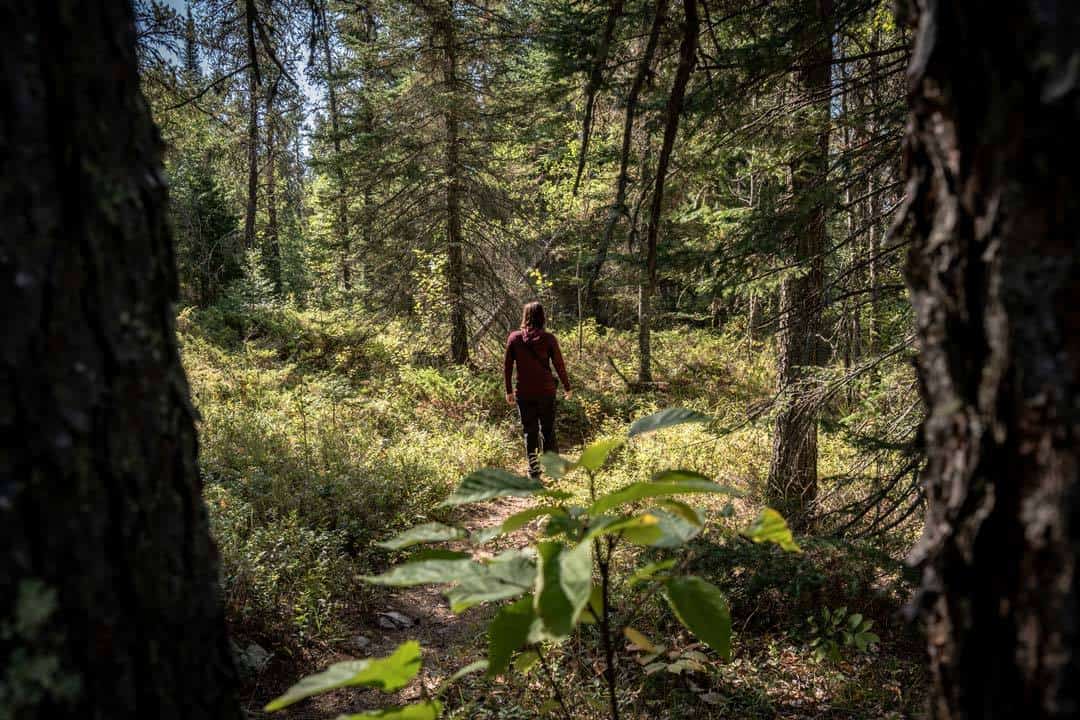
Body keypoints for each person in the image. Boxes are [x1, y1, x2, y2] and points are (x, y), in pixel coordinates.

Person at [504, 301, 572, 480]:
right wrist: (567, 386)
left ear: (525, 316)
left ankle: (534, 472)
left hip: (524, 393)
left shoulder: (514, 338)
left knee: (530, 431)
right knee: (548, 430)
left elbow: (508, 367)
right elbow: (559, 364)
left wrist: (509, 390)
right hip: (546, 392)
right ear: (542, 317)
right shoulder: (549, 339)